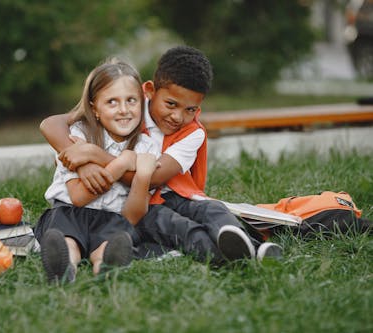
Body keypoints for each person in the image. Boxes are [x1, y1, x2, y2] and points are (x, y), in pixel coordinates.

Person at [40, 45, 282, 264]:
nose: (177, 117)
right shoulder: (131, 107)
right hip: (146, 202)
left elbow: (154, 177)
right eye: (171, 105)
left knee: (213, 210)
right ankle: (231, 257)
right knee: (181, 228)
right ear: (150, 92)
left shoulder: (192, 132)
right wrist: (82, 164)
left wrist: (95, 155)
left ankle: (250, 248)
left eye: (190, 109)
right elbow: (52, 124)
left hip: (169, 192)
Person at [34, 58, 159, 284]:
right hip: (69, 212)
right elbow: (79, 197)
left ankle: (106, 265)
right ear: (95, 109)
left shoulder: (145, 147)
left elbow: (134, 215)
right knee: (65, 237)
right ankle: (64, 266)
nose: (124, 110)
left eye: (131, 100)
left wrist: (142, 175)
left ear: (142, 103)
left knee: (113, 239)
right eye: (112, 102)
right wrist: (120, 165)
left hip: (113, 218)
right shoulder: (76, 137)